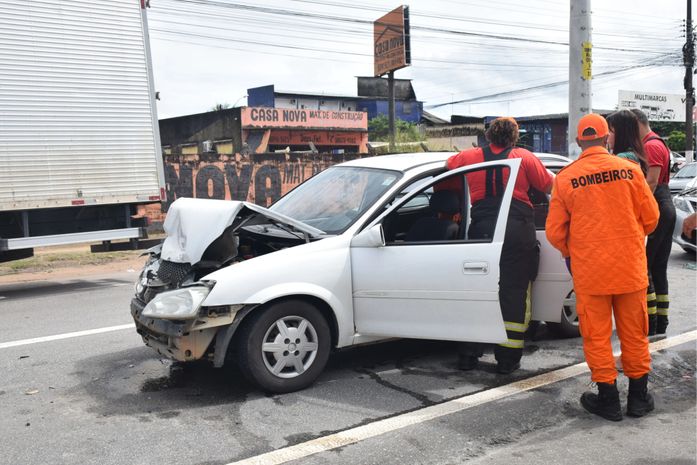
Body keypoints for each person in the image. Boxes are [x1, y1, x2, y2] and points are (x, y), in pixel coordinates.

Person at [546, 113, 659, 421]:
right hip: (629, 270)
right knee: (634, 335)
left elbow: (555, 231)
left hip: (590, 274)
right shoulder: (630, 170)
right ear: (607, 137)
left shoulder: (567, 178)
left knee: (596, 337)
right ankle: (638, 399)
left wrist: (578, 251)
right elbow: (651, 218)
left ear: (579, 141)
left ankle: (608, 400)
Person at [447, 117, 554, 374]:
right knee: (513, 292)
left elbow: (448, 166)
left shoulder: (469, 156)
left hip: (482, 228)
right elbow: (550, 186)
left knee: (475, 291)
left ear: (489, 135)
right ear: (514, 137)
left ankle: (467, 355)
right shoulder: (524, 157)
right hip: (516, 229)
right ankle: (507, 360)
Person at [630, 108, 677, 335]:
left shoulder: (651, 145)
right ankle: (659, 322)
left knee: (646, 267)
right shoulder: (654, 143)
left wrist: (635, 210)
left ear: (638, 123)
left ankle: (651, 322)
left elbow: (651, 183)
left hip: (658, 205)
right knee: (657, 267)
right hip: (662, 205)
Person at [606, 110, 648, 174]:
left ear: (620, 133)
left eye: (610, 131)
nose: (607, 135)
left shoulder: (622, 158)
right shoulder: (636, 153)